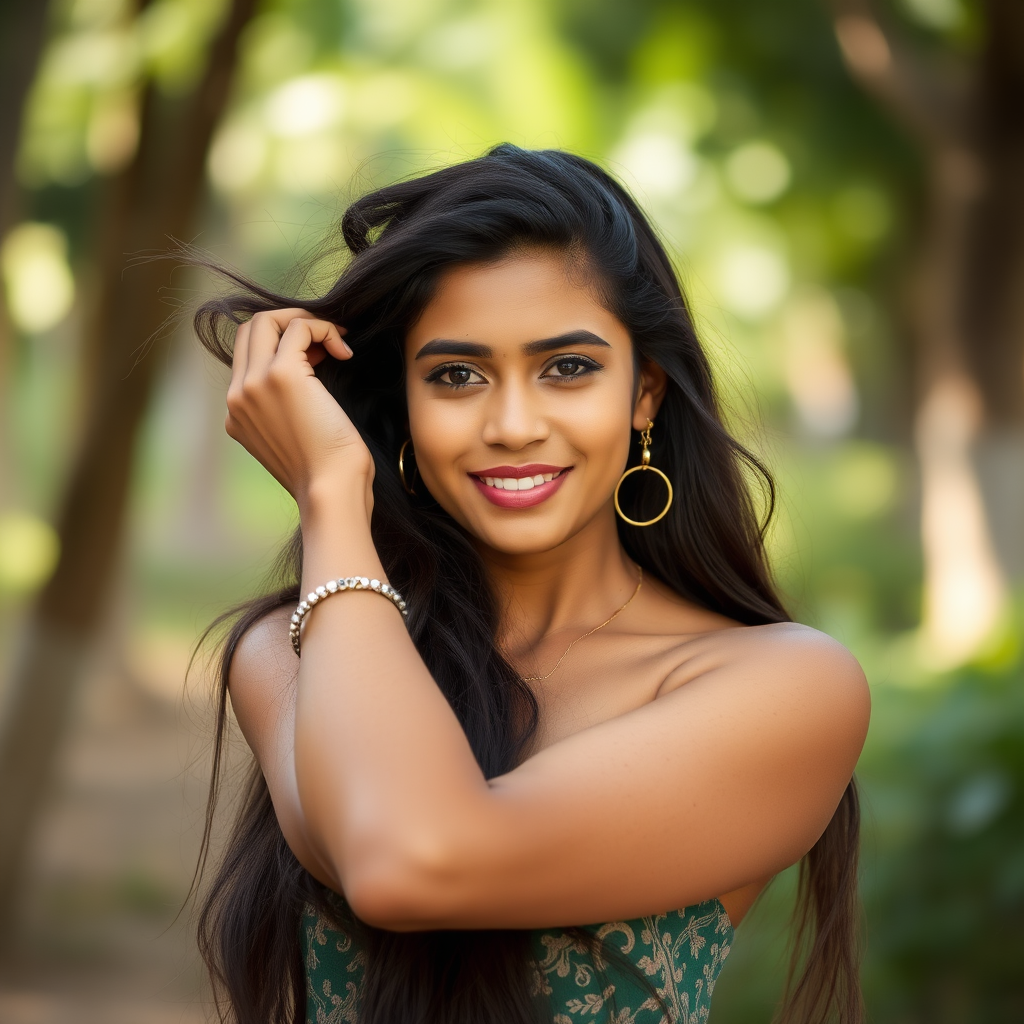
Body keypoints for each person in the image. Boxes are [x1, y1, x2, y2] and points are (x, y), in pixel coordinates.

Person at [193, 144, 870, 1024]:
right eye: (456, 376)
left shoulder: (787, 689)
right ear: (402, 404)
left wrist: (329, 498)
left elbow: (410, 861)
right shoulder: (288, 649)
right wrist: (335, 498)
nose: (513, 424)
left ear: (646, 393)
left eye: (568, 368)